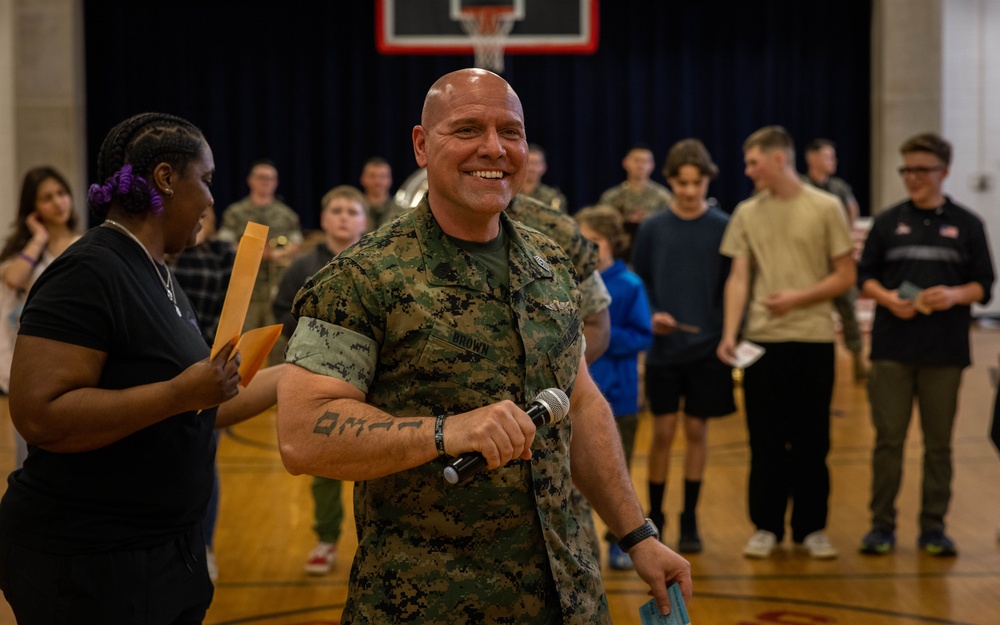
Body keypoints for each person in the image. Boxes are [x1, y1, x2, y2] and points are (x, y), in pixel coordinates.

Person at [276, 68, 691, 623]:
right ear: (422, 145)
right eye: (467, 129)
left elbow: (581, 400)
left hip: (568, 594)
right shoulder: (359, 278)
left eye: (510, 131)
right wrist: (446, 432)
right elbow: (303, 434)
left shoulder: (552, 262)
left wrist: (638, 535)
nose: (493, 148)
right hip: (430, 603)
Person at [0, 112, 286, 624]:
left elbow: (196, 406)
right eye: (207, 180)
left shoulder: (157, 271)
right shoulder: (89, 269)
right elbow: (39, 415)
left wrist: (298, 372)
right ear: (165, 179)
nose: (211, 200)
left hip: (158, 551)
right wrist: (179, 393)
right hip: (89, 560)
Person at [717, 125, 855, 560]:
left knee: (814, 440)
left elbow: (846, 275)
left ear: (779, 159)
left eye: (754, 161)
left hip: (813, 340)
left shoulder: (827, 206)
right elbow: (738, 277)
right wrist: (728, 334)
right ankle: (766, 527)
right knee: (765, 441)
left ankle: (812, 528)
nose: (747, 170)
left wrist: (799, 297)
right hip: (761, 342)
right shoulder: (746, 212)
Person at [857, 132, 995, 558]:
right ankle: (881, 526)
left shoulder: (969, 224)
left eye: (922, 170)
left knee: (939, 445)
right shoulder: (887, 221)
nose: (913, 178)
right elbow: (865, 278)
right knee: (888, 441)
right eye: (907, 170)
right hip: (892, 350)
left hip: (944, 353)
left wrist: (954, 296)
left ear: (944, 172)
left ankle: (934, 527)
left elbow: (984, 286)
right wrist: (887, 299)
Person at [632, 139, 735, 555]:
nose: (690, 190)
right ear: (670, 180)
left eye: (697, 182)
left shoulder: (723, 226)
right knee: (662, 432)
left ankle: (691, 518)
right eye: (682, 182)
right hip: (664, 350)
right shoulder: (653, 228)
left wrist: (725, 332)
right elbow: (642, 283)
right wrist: (653, 314)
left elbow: (732, 286)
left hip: (707, 349)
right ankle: (656, 515)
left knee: (696, 430)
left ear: (707, 179)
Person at [272, 184, 368, 575]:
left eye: (352, 211)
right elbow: (282, 311)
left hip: (374, 382)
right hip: (320, 381)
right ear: (324, 218)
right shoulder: (303, 266)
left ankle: (375, 545)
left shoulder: (375, 261)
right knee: (326, 464)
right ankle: (326, 540)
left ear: (365, 220)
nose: (344, 217)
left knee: (379, 463)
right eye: (337, 210)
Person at [575, 204, 653, 570]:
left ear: (613, 243)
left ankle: (624, 540)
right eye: (582, 240)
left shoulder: (630, 284)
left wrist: (597, 334)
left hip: (619, 398)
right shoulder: (572, 281)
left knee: (618, 475)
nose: (588, 248)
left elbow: (642, 334)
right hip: (577, 398)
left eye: (595, 241)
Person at [168, 208, 238, 582]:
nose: (203, 213)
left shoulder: (223, 254)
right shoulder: (164, 254)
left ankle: (203, 547)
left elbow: (233, 312)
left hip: (209, 368)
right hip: (166, 373)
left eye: (210, 210)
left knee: (203, 461)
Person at [0, 167, 81, 469]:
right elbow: (13, 278)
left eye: (61, 193)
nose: (59, 203)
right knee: (29, 457)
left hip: (73, 358)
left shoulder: (85, 244)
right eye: (47, 198)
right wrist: (39, 237)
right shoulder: (26, 251)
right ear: (33, 208)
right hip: (31, 361)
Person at [803, 138, 868, 381]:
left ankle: (857, 359)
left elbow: (852, 208)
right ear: (813, 158)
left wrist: (844, 239)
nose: (834, 161)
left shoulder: (839, 187)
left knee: (848, 309)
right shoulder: (801, 186)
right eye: (829, 156)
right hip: (809, 263)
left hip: (836, 263)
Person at [217, 159, 302, 336]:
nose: (266, 182)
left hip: (277, 288)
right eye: (261, 177)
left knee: (278, 342)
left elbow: (297, 243)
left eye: (271, 178)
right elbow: (224, 243)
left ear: (276, 182)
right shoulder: (236, 212)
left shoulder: (286, 214)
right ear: (251, 180)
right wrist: (254, 251)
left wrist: (280, 253)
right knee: (243, 340)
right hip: (246, 290)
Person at [359, 156, 407, 230]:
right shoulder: (353, 210)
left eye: (383, 176)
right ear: (363, 179)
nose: (377, 182)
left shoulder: (400, 213)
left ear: (390, 180)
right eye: (372, 176)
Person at [522, 144, 568, 213]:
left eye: (536, 163)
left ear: (544, 167)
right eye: (529, 163)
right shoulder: (510, 194)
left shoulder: (553, 197)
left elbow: (559, 221)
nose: (532, 168)